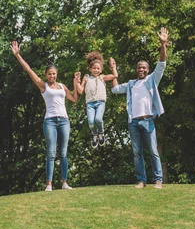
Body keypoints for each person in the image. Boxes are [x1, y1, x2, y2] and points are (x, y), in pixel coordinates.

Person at [10, 41, 80, 192]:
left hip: (64, 121)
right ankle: (49, 184)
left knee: (63, 153)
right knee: (51, 152)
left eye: (54, 73)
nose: (52, 76)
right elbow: (29, 70)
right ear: (46, 75)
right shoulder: (43, 86)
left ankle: (64, 183)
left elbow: (74, 99)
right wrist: (17, 55)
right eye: (49, 74)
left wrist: (75, 83)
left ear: (57, 74)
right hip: (49, 121)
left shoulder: (62, 86)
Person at [110, 27, 169, 189]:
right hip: (133, 122)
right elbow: (115, 89)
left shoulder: (152, 80)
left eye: (144, 67)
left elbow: (162, 64)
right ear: (136, 70)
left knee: (153, 151)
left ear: (148, 70)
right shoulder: (131, 84)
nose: (141, 69)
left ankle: (158, 180)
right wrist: (114, 70)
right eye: (139, 67)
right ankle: (141, 181)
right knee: (137, 153)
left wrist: (163, 44)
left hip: (148, 120)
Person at [75, 51, 118, 148]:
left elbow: (115, 76)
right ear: (90, 69)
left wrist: (113, 66)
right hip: (90, 104)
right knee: (91, 121)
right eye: (94, 68)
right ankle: (95, 134)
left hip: (100, 102)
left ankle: (101, 133)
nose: (96, 70)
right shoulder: (86, 78)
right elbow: (81, 91)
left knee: (98, 119)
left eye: (98, 68)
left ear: (101, 70)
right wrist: (77, 81)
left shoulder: (102, 77)